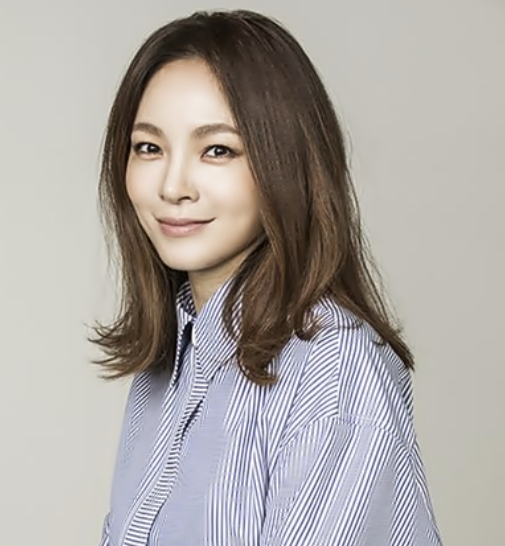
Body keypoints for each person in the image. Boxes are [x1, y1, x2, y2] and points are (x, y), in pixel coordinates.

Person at [91, 9, 443, 546]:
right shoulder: (172, 359)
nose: (173, 186)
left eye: (218, 150)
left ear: (287, 164)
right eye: (149, 147)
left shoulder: (333, 370)